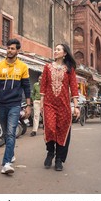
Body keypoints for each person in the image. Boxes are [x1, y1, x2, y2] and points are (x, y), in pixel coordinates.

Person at [0, 39, 31, 175]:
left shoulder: (23, 67)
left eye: (12, 48)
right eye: (8, 48)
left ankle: (6, 163)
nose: (9, 50)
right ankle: (10, 154)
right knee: (6, 133)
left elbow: (26, 87)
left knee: (11, 132)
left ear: (17, 51)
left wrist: (28, 105)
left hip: (15, 104)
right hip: (1, 104)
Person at [40, 43, 80, 171]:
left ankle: (59, 159)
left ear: (64, 53)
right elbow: (43, 86)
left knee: (63, 132)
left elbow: (74, 87)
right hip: (49, 104)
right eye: (55, 49)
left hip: (64, 105)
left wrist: (76, 106)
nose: (55, 51)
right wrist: (41, 103)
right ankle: (50, 152)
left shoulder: (69, 69)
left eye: (58, 49)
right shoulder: (47, 67)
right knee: (50, 128)